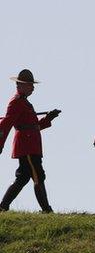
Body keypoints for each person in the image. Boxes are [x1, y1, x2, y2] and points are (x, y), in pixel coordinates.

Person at [0, 69, 60, 212]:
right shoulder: (16, 103)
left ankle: (3, 206)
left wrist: (48, 119)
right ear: (20, 86)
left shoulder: (24, 103)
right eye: (29, 85)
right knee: (38, 175)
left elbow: (33, 126)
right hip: (26, 146)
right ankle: (46, 209)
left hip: (31, 145)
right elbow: (6, 124)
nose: (33, 87)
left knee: (23, 178)